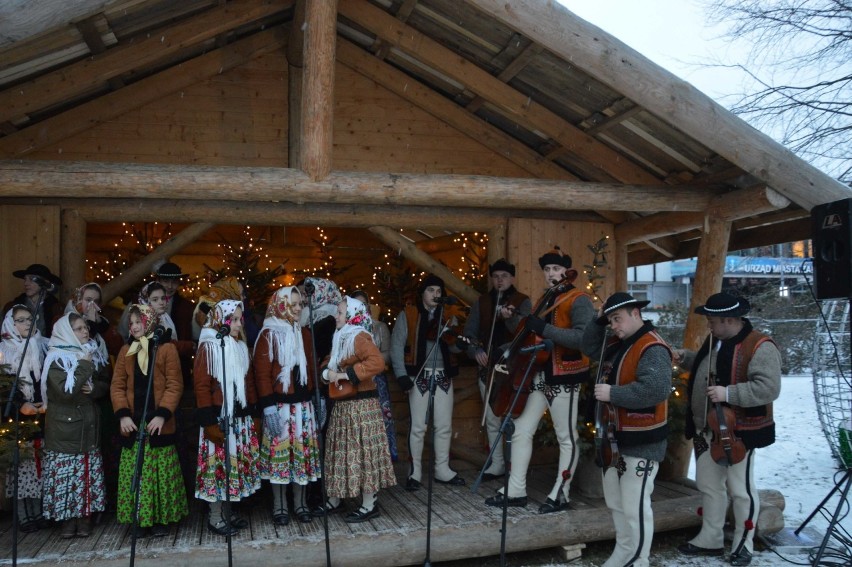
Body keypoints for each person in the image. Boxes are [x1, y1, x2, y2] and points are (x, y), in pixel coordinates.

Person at [676, 292, 782, 567]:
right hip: (707, 428)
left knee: (740, 489)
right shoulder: (717, 340)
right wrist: (686, 357)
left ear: (728, 319)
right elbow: (710, 368)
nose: (708, 325)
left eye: (712, 320)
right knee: (709, 486)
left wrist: (729, 393)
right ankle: (710, 538)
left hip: (741, 432)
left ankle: (743, 543)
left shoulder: (760, 346)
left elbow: (769, 388)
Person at [484, 247, 594, 514]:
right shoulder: (545, 299)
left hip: (565, 376)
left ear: (566, 271)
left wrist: (544, 328)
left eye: (556, 269)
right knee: (521, 430)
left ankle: (561, 493)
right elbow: (530, 334)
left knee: (566, 437)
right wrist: (513, 326)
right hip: (539, 373)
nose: (550, 274)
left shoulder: (579, 299)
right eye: (546, 270)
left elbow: (583, 339)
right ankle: (516, 489)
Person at [582, 292, 673, 567]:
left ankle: (639, 559)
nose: (614, 326)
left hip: (643, 439)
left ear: (636, 313)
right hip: (614, 438)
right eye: (611, 320)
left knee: (635, 506)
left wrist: (613, 394)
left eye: (617, 319)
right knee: (616, 503)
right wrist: (598, 322)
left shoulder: (652, 347)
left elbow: (655, 389)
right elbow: (588, 346)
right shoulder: (616, 342)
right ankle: (623, 552)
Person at [314, 296, 395, 522]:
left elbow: (377, 363)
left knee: (363, 453)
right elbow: (329, 360)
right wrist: (325, 372)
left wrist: (345, 374)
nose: (336, 316)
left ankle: (370, 504)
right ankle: (336, 498)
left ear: (351, 315)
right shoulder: (341, 336)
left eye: (340, 312)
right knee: (341, 451)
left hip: (361, 405)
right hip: (343, 404)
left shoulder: (359, 336)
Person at [111, 304, 188, 538]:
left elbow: (175, 384)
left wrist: (162, 413)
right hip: (134, 424)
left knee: (160, 472)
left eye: (139, 322)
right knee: (137, 472)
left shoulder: (165, 349)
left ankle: (161, 518)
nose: (134, 326)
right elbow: (118, 385)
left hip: (158, 423)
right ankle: (140, 520)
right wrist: (123, 414)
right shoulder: (127, 350)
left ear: (150, 322)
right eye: (131, 323)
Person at [253, 286, 321, 525]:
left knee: (300, 457)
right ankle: (280, 506)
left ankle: (300, 503)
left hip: (302, 407)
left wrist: (316, 397)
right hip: (279, 407)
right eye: (293, 304)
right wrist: (268, 405)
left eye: (300, 304)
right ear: (281, 305)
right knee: (279, 459)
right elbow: (261, 374)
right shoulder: (268, 334)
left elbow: (311, 367)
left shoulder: (304, 333)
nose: (299, 308)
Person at [390, 274, 464, 490]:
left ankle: (442, 469)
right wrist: (402, 375)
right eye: (431, 290)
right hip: (418, 376)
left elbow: (454, 348)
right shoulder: (409, 314)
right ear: (422, 293)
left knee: (443, 426)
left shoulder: (448, 316)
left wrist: (459, 341)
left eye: (439, 291)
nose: (435, 295)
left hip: (442, 375)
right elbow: (396, 347)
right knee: (418, 427)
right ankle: (415, 473)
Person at [40, 312, 110, 538]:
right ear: (67, 333)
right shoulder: (56, 358)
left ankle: (85, 518)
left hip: (88, 426)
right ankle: (67, 521)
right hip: (65, 430)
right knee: (67, 478)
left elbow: (105, 383)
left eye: (85, 327)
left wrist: (96, 389)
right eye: (79, 329)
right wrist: (83, 366)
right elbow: (65, 392)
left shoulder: (91, 353)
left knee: (85, 478)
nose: (85, 331)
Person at [194, 299, 261, 536]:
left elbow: (248, 382)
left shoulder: (241, 346)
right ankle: (215, 516)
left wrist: (254, 412)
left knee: (234, 467)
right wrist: (209, 421)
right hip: (219, 417)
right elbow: (202, 386)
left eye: (239, 319)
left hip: (239, 416)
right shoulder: (210, 346)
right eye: (232, 319)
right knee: (218, 468)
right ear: (221, 320)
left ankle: (227, 511)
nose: (237, 324)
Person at [462, 259, 531, 481]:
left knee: (514, 419)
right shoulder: (482, 302)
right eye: (496, 276)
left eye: (504, 276)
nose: (500, 280)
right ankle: (498, 463)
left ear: (512, 278)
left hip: (514, 368)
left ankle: (514, 466)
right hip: (488, 366)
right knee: (492, 418)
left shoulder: (522, 301)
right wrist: (475, 351)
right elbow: (469, 334)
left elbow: (526, 333)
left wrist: (510, 319)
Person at [1, 305, 47, 532]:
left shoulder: (40, 346)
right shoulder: (4, 351)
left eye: (30, 319)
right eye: (21, 320)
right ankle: (23, 516)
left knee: (38, 466)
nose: (27, 324)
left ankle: (38, 512)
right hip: (15, 419)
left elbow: (43, 380)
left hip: (38, 417)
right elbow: (4, 386)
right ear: (11, 323)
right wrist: (21, 404)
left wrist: (41, 402)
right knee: (21, 469)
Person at [351, 290, 397, 461]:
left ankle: (381, 465)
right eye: (355, 304)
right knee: (358, 425)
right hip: (355, 381)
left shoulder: (379, 327)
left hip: (377, 381)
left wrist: (370, 360)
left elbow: (389, 354)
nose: (359, 308)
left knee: (380, 423)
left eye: (363, 304)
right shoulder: (344, 329)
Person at [3, 264, 63, 338]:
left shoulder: (55, 308)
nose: (26, 283)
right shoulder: (13, 307)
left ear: (44, 283)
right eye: (25, 279)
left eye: (31, 279)